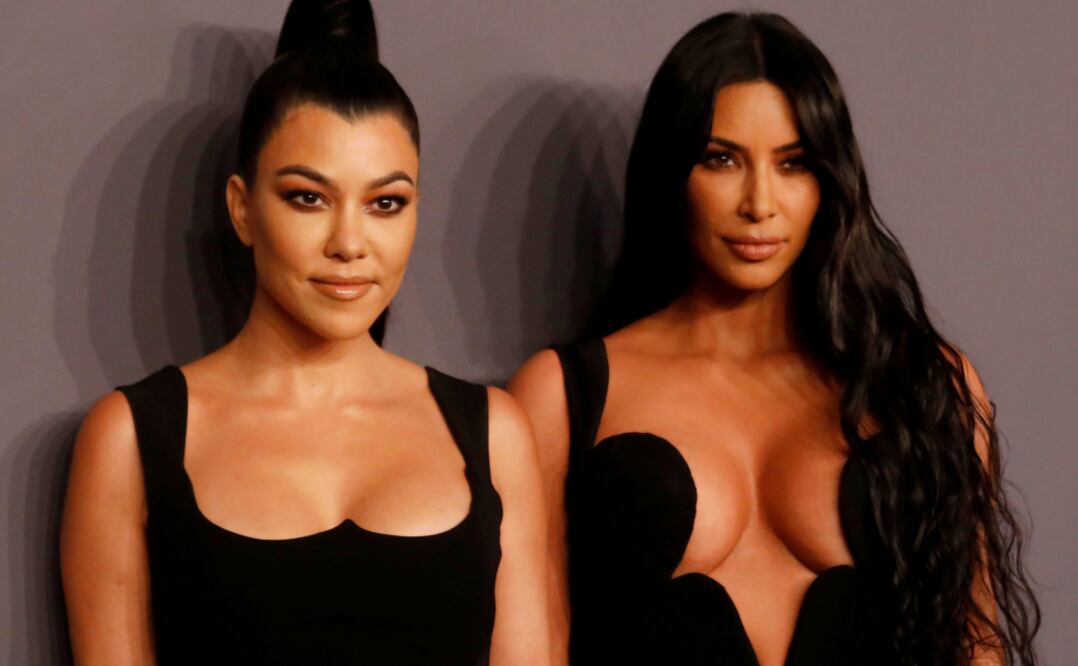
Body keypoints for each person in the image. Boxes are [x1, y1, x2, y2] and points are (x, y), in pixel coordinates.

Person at [509, 11, 1039, 666]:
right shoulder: (562, 396)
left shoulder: (923, 385)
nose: (759, 203)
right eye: (721, 159)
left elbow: (976, 643)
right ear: (671, 171)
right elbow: (534, 650)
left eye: (794, 164)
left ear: (830, 181)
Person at [60, 2, 549, 664]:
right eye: (308, 198)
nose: (349, 243)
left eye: (385, 203)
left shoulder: (495, 433)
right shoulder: (130, 439)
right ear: (242, 208)